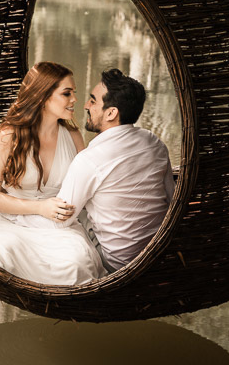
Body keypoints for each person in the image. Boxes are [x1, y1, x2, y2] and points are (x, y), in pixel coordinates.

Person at [0, 62, 106, 285]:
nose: (74, 100)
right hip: (11, 222)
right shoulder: (7, 137)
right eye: (66, 93)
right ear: (42, 96)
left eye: (74, 93)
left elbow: (88, 185)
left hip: (58, 227)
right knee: (0, 253)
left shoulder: (72, 136)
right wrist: (40, 208)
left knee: (78, 263)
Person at [52, 68, 175, 272]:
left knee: (66, 221)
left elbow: (60, 221)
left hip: (119, 263)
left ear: (111, 113)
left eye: (93, 101)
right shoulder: (154, 142)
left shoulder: (89, 160)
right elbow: (172, 199)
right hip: (158, 252)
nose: (85, 106)